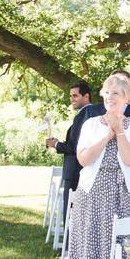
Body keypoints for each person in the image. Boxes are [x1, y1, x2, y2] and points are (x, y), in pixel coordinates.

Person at [65, 75, 130, 259]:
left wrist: (119, 131)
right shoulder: (91, 124)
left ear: (128, 99)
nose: (111, 98)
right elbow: (83, 159)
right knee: (95, 240)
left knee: (124, 245)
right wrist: (106, 136)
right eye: (107, 93)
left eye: (117, 94)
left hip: (123, 189)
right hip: (93, 190)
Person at [45, 81, 94, 210]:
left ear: (86, 96)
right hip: (81, 171)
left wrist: (56, 144)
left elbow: (74, 147)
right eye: (70, 96)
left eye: (75, 96)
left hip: (75, 172)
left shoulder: (84, 115)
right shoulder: (90, 114)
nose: (72, 99)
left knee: (70, 215)